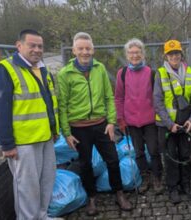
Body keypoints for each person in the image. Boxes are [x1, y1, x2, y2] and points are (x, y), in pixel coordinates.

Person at [57, 32, 132, 216]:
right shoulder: (65, 74)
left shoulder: (99, 68)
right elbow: (62, 105)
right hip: (78, 128)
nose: (85, 52)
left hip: (101, 124)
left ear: (93, 50)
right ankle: (91, 197)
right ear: (74, 50)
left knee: (113, 160)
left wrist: (111, 122)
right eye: (81, 48)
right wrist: (66, 133)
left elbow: (109, 96)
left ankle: (119, 193)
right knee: (85, 164)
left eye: (88, 48)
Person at [0, 29, 59, 220]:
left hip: (45, 137)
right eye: (32, 45)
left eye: (40, 46)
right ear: (18, 46)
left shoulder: (42, 69)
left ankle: (42, 216)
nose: (37, 50)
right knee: (27, 189)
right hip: (23, 142)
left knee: (46, 182)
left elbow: (47, 104)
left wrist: (54, 129)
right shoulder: (6, 70)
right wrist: (7, 143)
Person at [154, 39, 191, 204]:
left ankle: (185, 185)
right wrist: (169, 124)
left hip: (185, 124)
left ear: (181, 54)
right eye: (170, 54)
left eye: (177, 53)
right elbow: (157, 103)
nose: (174, 56)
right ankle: (173, 188)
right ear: (166, 56)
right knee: (171, 157)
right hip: (167, 126)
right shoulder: (160, 74)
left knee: (185, 155)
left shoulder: (189, 72)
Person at [115, 38, 164, 194]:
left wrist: (159, 118)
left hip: (150, 120)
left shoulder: (151, 73)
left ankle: (157, 178)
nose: (134, 55)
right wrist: (121, 119)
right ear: (127, 55)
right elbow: (119, 97)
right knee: (138, 153)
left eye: (137, 52)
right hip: (131, 121)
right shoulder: (122, 74)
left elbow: (157, 98)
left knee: (154, 151)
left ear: (143, 54)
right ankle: (145, 178)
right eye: (131, 53)